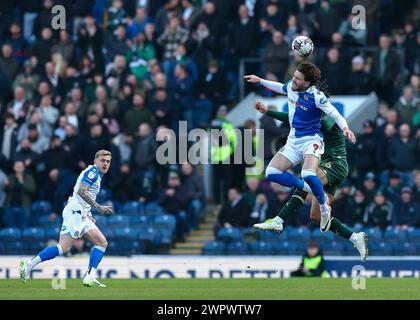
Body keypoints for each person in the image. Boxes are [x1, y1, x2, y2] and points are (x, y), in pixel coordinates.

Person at [244, 62, 356, 233]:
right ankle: (312, 190)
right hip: (293, 141)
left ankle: (324, 207)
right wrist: (260, 80)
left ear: (307, 83)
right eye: (294, 76)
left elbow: (335, 113)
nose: (293, 80)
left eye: (297, 78)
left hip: (312, 141)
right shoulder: (291, 87)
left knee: (307, 173)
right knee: (271, 173)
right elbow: (280, 87)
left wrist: (346, 128)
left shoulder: (317, 97)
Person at [252, 102, 367, 261]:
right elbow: (293, 118)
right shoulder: (312, 116)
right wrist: (268, 112)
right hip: (326, 166)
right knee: (316, 217)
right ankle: (355, 237)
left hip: (335, 164)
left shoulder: (330, 115)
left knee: (306, 180)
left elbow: (318, 122)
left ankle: (279, 220)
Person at [20, 150, 114, 288]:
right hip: (75, 214)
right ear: (95, 161)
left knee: (102, 242)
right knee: (63, 248)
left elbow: (80, 195)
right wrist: (98, 207)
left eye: (108, 161)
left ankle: (90, 277)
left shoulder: (96, 175)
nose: (105, 163)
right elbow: (82, 191)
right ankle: (29, 264)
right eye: (103, 160)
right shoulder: (92, 173)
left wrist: (88, 213)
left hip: (82, 214)